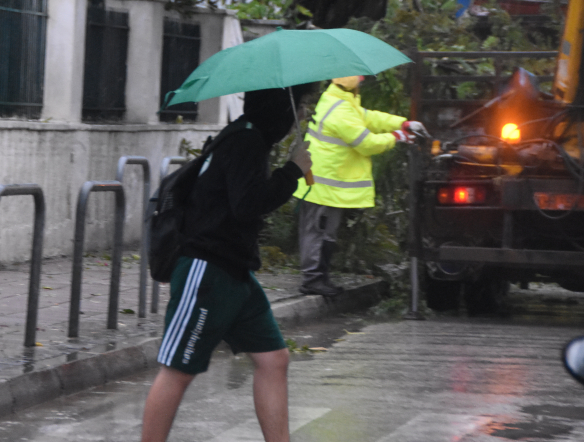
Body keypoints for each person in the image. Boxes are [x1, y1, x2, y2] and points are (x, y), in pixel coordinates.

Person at [141, 86, 313, 442]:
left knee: (274, 360)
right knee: (177, 370)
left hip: (234, 272)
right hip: (207, 270)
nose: (304, 117)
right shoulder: (245, 142)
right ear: (281, 109)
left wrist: (287, 172)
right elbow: (248, 204)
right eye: (301, 108)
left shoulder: (245, 137)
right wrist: (292, 171)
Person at [294, 75, 428, 297]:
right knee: (317, 233)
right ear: (348, 80)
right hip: (321, 184)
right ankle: (312, 279)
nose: (363, 79)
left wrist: (401, 123)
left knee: (325, 233)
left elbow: (367, 116)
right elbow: (366, 143)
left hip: (328, 183)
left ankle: (319, 278)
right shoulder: (340, 110)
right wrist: (398, 136)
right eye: (359, 76)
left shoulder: (341, 99)